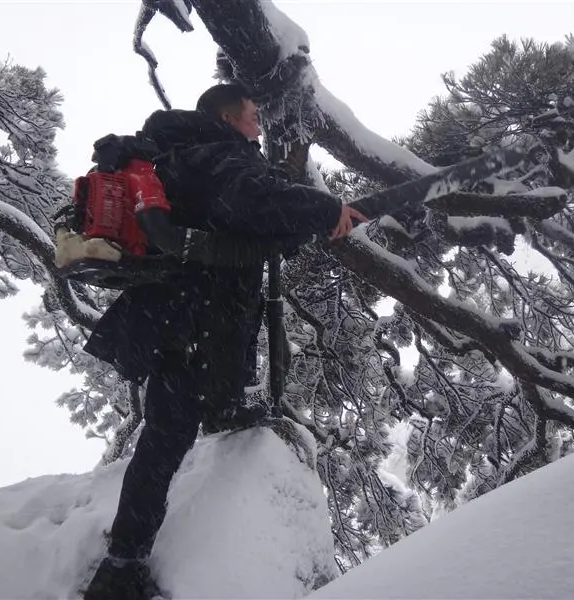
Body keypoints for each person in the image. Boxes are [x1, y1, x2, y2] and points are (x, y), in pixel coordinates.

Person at [81, 83, 367, 600]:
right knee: (166, 437)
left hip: (180, 311)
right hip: (195, 317)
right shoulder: (221, 152)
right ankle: (120, 568)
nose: (259, 125)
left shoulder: (184, 154)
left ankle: (223, 410)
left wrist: (293, 228)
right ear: (228, 116)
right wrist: (323, 210)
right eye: (253, 116)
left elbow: (232, 225)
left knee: (185, 414)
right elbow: (250, 199)